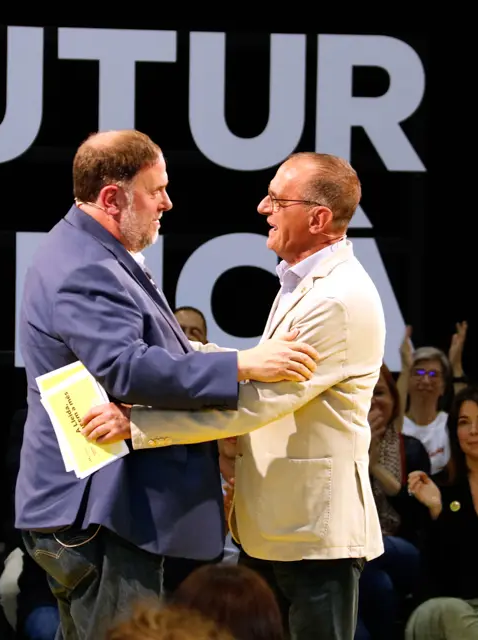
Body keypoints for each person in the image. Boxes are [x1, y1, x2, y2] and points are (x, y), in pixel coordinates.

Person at [14, 130, 319, 640]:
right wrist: (244, 365)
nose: (167, 203)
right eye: (156, 190)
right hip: (98, 509)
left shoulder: (91, 251)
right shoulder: (86, 266)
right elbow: (128, 369)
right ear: (113, 197)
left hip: (95, 509)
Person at [84, 152, 384, 640]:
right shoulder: (304, 282)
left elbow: (255, 403)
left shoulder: (338, 298)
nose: (263, 207)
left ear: (319, 218)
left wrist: (138, 425)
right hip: (278, 527)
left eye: (277, 199)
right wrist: (178, 346)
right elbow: (259, 364)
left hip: (313, 536)